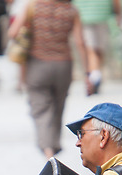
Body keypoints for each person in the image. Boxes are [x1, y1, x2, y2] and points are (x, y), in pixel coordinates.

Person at [8, 0, 90, 159]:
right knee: (58, 106)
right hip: (63, 65)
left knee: (40, 108)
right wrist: (87, 72)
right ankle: (54, 144)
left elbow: (13, 32)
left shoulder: (33, 6)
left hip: (37, 64)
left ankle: (48, 150)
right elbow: (80, 41)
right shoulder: (71, 10)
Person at [73, 0, 122, 95]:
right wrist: (119, 13)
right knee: (94, 49)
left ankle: (94, 76)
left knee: (94, 50)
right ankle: (95, 76)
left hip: (86, 14)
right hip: (98, 14)